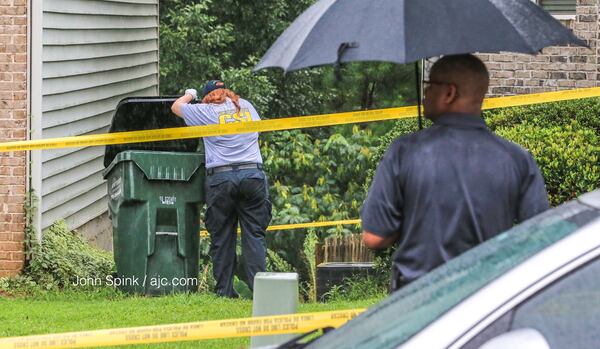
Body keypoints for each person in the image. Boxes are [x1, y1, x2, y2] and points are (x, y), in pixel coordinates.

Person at [361, 54, 550, 291]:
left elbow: (374, 237)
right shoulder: (517, 158)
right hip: (485, 302)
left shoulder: (405, 151)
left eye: (430, 86)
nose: (425, 94)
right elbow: (539, 237)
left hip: (415, 303)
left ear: (449, 93)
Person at [171, 80, 272, 298]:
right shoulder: (247, 106)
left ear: (208, 96)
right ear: (227, 92)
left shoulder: (205, 110)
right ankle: (261, 293)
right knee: (254, 234)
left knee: (223, 236)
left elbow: (176, 107)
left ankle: (225, 292)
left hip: (221, 178)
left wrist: (189, 93)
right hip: (252, 174)